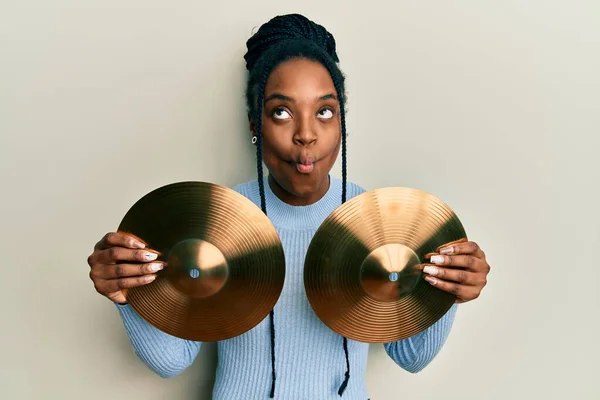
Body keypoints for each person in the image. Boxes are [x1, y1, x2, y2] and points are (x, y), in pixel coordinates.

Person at [87, 13, 491, 400]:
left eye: (324, 112)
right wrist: (127, 294)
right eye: (281, 112)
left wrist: (449, 293)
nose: (306, 135)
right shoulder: (213, 219)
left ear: (341, 124)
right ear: (254, 127)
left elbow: (413, 358)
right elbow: (171, 362)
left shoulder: (383, 221)